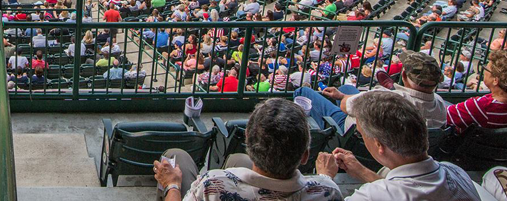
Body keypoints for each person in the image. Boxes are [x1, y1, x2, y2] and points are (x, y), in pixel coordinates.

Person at [154, 98, 343, 200]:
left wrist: (172, 184)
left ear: (248, 142)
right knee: (237, 160)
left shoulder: (212, 186)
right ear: (304, 157)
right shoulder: (329, 191)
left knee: (177, 156)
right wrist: (325, 177)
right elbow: (324, 187)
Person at [315, 91, 479, 201]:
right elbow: (404, 188)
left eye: (361, 134)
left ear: (379, 144)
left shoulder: (370, 197)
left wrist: (325, 180)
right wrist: (362, 172)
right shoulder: (457, 173)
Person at [294, 51, 448, 131]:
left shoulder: (388, 98)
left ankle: (320, 133)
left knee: (303, 92)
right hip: (386, 131)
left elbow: (345, 106)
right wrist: (341, 95)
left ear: (404, 76)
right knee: (346, 88)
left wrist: (343, 98)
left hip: (354, 129)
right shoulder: (440, 104)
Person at [447, 47, 507, 132]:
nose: (484, 71)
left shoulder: (481, 106)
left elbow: (443, 115)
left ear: (495, 80)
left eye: (486, 68)